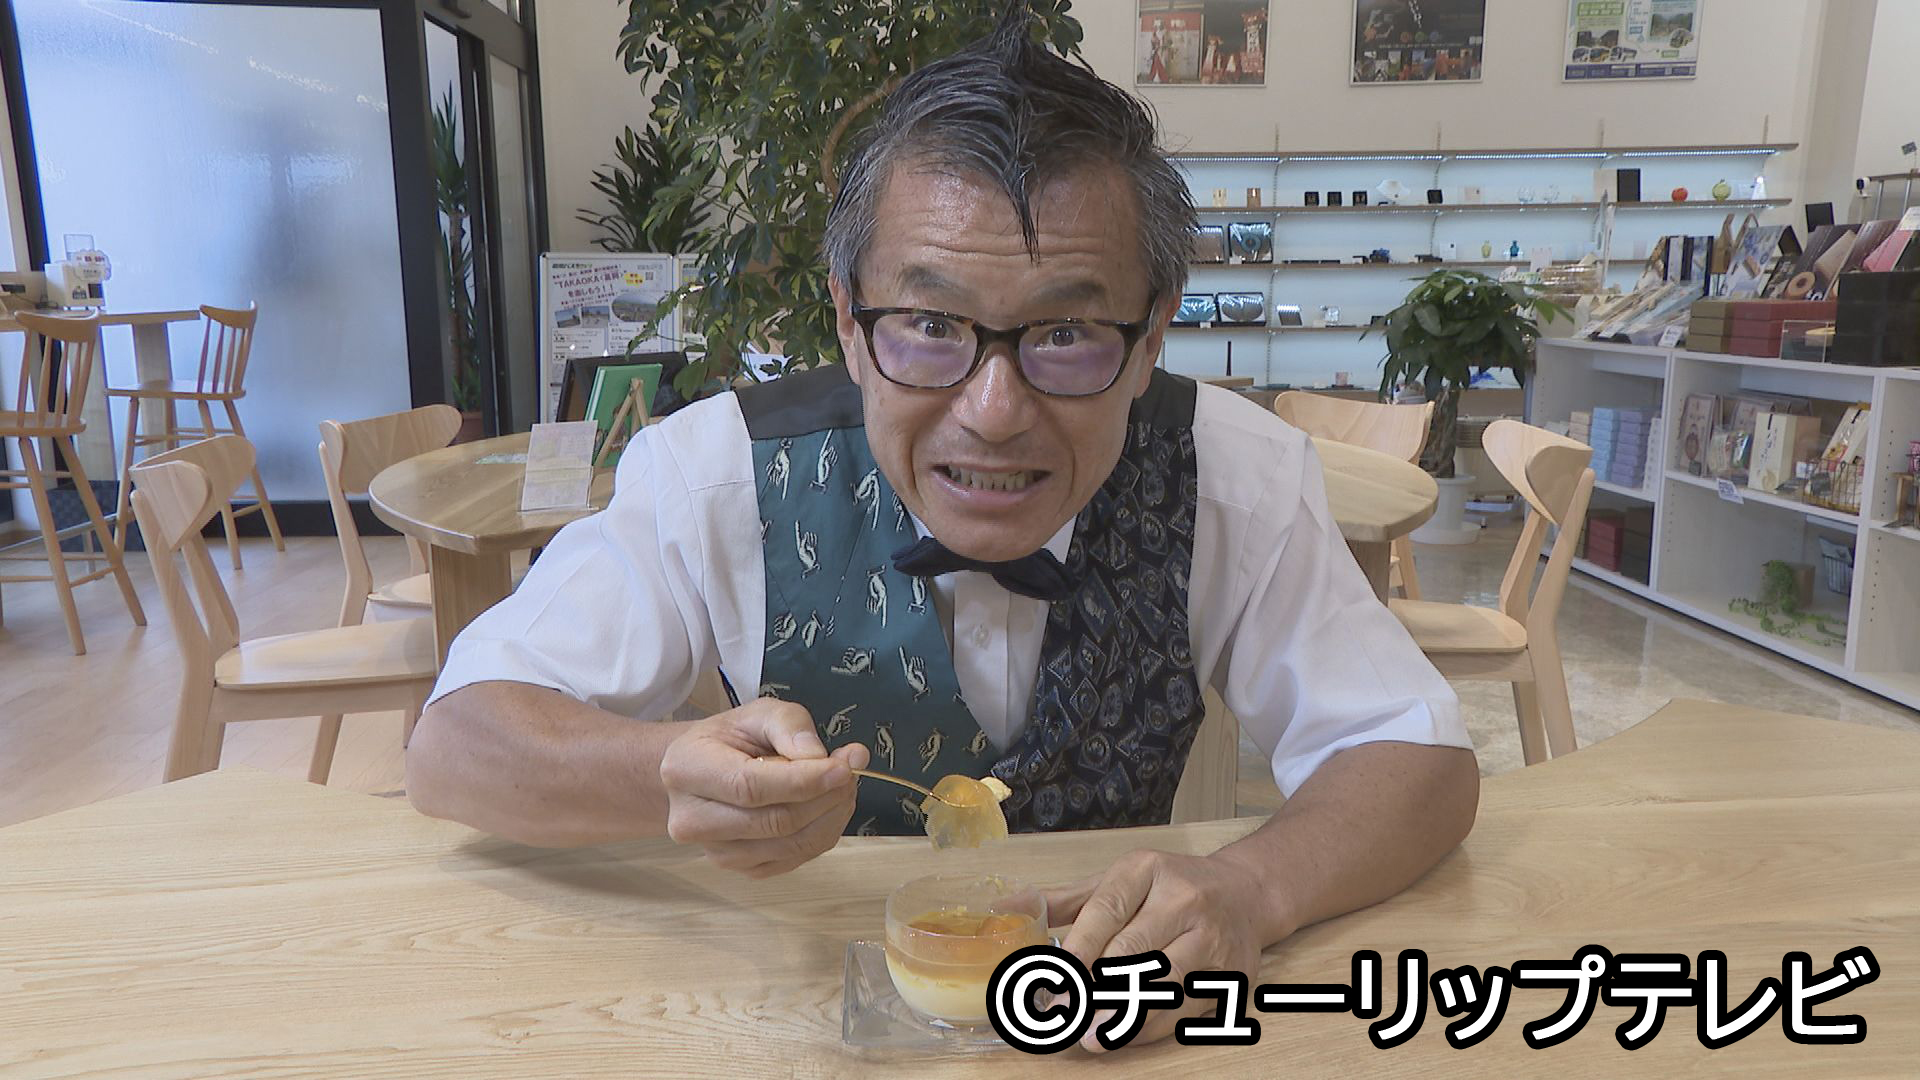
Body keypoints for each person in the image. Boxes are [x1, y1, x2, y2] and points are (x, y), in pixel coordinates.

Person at [407, 8, 1478, 1052]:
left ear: (1153, 333)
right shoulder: (714, 472)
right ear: (848, 318)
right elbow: (456, 745)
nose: (994, 411)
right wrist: (660, 771)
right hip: (792, 1022)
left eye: (1066, 332)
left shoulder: (1236, 476)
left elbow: (1416, 756)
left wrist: (1254, 885)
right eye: (928, 324)